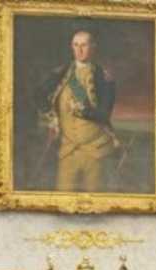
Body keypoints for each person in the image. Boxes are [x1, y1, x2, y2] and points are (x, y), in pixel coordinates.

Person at [34, 29, 119, 192]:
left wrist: (84, 111)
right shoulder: (61, 73)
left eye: (84, 45)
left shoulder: (104, 77)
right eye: (76, 45)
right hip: (67, 150)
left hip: (95, 150)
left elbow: (104, 115)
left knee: (94, 199)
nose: (79, 50)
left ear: (93, 47)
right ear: (71, 47)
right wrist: (51, 116)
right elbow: (39, 94)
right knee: (63, 198)